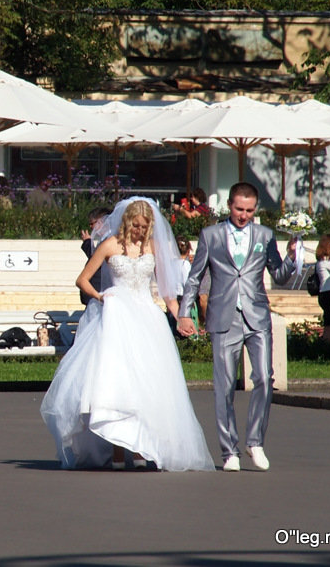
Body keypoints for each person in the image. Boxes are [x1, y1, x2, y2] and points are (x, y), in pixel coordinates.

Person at [40, 197, 214, 471]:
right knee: (118, 380)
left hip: (146, 317)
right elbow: (82, 279)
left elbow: (168, 291)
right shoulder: (110, 245)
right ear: (126, 220)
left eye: (145, 226)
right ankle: (118, 450)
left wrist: (181, 316)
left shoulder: (154, 247)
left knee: (145, 383)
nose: (140, 231)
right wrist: (101, 296)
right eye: (136, 225)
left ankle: (140, 447)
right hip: (117, 316)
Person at [177, 182, 298, 472]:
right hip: (223, 315)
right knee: (224, 385)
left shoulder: (265, 235)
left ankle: (255, 441)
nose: (243, 215)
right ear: (229, 205)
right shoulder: (211, 235)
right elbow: (195, 278)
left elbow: (279, 275)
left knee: (264, 378)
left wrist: (294, 256)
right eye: (238, 209)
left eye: (249, 210)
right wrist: (184, 313)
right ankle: (229, 450)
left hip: (256, 315)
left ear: (256, 209)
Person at [79, 206, 112, 306]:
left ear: (101, 222)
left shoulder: (109, 240)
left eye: (92, 223)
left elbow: (97, 260)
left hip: (100, 294)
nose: (91, 227)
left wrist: (87, 243)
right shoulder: (104, 239)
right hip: (96, 295)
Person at [314, 234, 330, 342]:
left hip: (325, 293)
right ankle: (326, 345)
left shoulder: (321, 261)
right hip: (329, 294)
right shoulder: (327, 261)